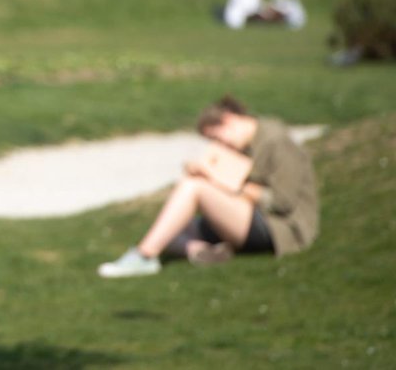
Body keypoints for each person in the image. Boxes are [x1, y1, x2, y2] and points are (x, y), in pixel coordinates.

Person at [98, 96, 318, 278]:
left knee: (194, 187)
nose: (221, 145)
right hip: (247, 217)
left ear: (229, 120)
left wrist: (221, 182)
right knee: (169, 227)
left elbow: (281, 202)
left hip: (279, 227)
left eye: (217, 137)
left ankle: (144, 256)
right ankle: (201, 252)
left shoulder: (276, 141)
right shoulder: (248, 144)